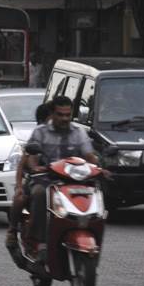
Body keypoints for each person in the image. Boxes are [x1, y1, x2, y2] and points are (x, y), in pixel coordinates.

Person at [25, 97, 106, 257]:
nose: (64, 119)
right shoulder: (40, 132)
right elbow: (31, 158)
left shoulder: (79, 132)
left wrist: (99, 167)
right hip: (46, 180)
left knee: (97, 194)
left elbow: (89, 155)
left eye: (67, 115)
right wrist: (35, 167)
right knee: (39, 194)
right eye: (60, 114)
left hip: (74, 181)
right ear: (52, 114)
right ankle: (41, 242)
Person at [6, 101, 53, 247]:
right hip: (37, 180)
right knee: (21, 198)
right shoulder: (38, 134)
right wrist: (19, 185)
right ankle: (12, 231)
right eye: (55, 116)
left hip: (58, 182)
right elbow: (23, 163)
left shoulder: (71, 134)